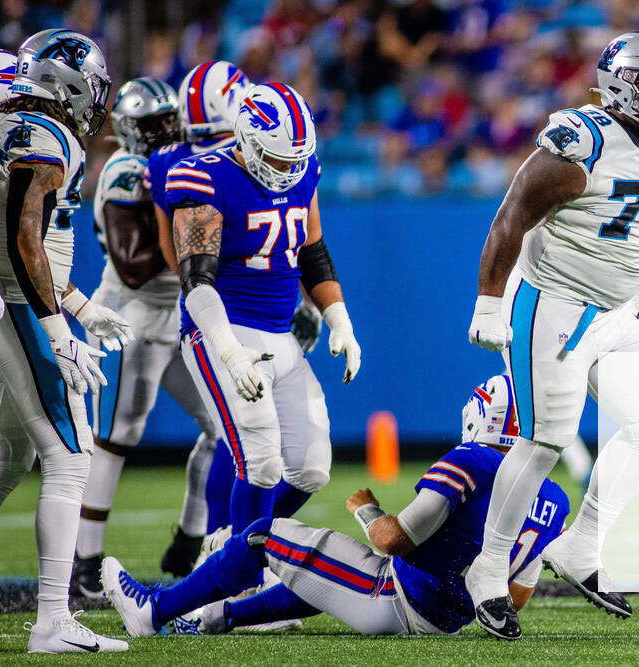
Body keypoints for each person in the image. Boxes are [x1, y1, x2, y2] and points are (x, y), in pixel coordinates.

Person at [464, 31, 639, 639]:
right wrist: (490, 301)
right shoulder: (583, 139)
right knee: (546, 440)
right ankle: (487, 568)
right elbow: (512, 214)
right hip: (555, 303)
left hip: (618, 312)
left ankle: (582, 546)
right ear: (619, 84)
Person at [101, 374, 568, 637]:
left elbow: (392, 540)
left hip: (397, 601)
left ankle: (153, 612)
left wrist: (366, 508)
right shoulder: (554, 495)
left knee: (265, 534)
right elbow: (518, 597)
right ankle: (214, 618)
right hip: (440, 616)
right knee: (325, 566)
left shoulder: (473, 460)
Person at [165, 82, 361, 576]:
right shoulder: (204, 176)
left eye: (295, 160)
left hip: (280, 334)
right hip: (221, 329)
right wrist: (228, 351)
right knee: (260, 460)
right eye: (276, 160)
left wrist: (340, 320)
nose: (288, 172)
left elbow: (313, 253)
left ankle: (234, 547)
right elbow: (195, 278)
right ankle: (239, 573)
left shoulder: (301, 171)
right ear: (247, 142)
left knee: (311, 467)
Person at [70, 77, 229, 599]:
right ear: (129, 130)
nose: (165, 131)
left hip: (178, 315)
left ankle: (189, 539)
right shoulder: (125, 172)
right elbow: (134, 268)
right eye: (153, 124)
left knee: (223, 428)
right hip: (128, 318)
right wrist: (192, 239)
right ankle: (85, 564)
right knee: (116, 439)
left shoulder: (181, 161)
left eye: (169, 119)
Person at [0, 29, 131, 653]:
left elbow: (26, 244)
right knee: (72, 456)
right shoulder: (45, 137)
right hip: (17, 306)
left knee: (11, 453)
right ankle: (53, 619)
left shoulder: (16, 120)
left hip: (18, 296)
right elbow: (24, 239)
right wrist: (58, 329)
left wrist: (80, 306)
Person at [144, 61, 253, 574]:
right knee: (239, 437)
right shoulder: (217, 163)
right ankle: (220, 546)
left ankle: (208, 541)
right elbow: (182, 254)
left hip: (206, 301)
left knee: (230, 435)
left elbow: (174, 254)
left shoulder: (168, 159)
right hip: (227, 305)